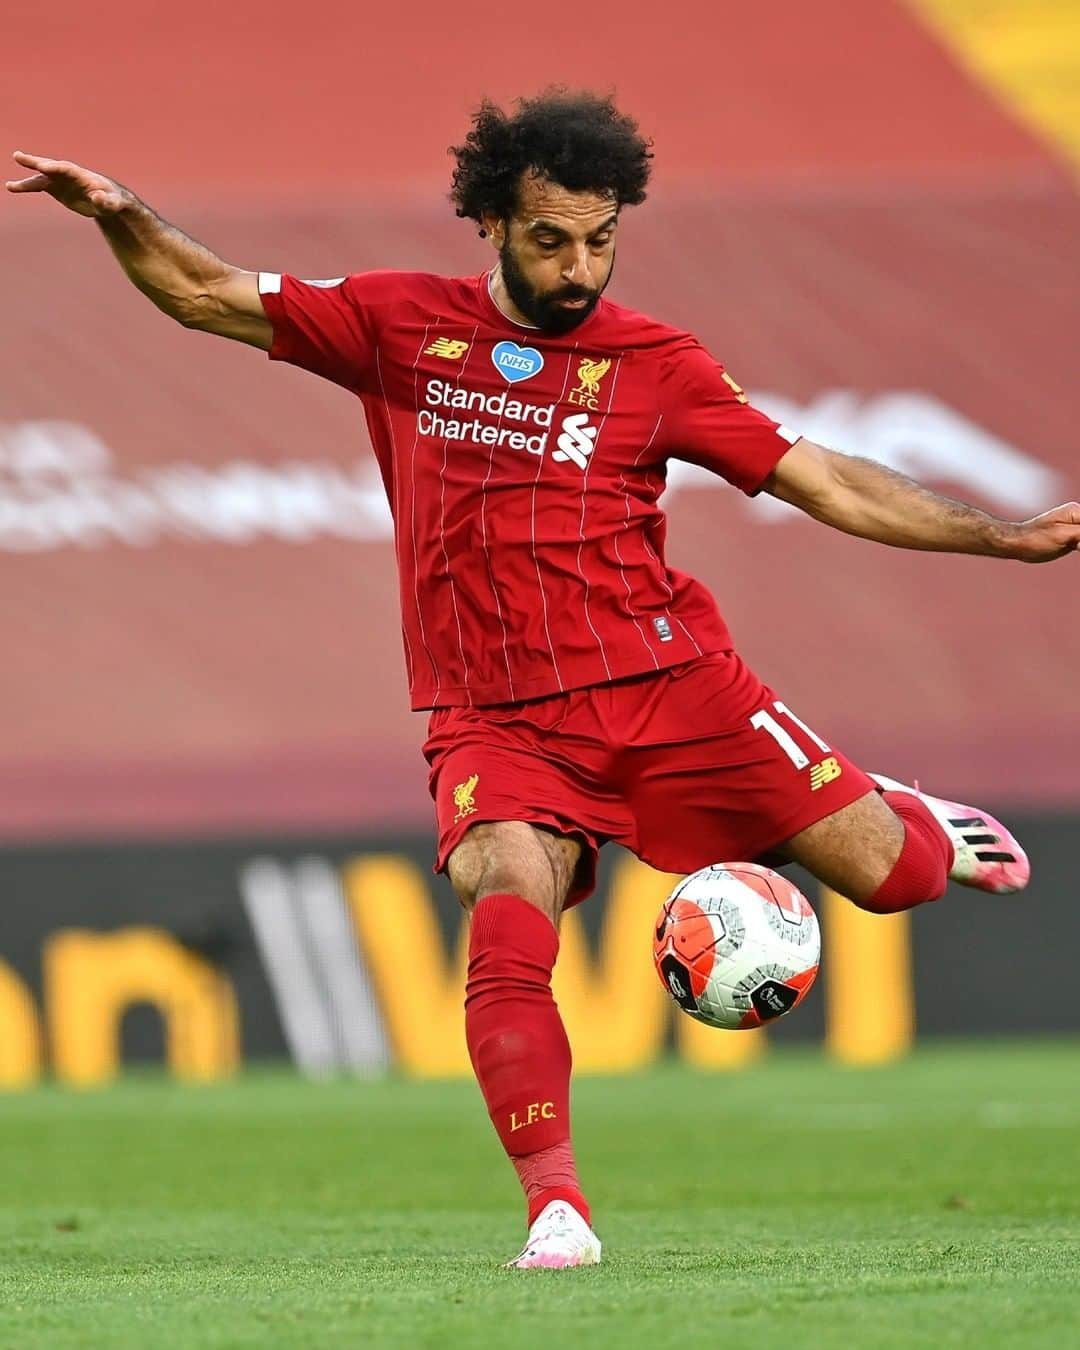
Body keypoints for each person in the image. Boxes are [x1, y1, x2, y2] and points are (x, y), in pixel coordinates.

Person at [9, 89, 1077, 1272]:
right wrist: (115, 213)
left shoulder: (657, 364)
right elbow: (205, 294)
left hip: (676, 688)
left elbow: (823, 478)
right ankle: (555, 1210)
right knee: (506, 905)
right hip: (500, 718)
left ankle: (905, 808)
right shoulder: (399, 325)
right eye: (550, 239)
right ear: (491, 225)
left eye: (600, 240)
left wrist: (999, 538)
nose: (578, 267)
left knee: (901, 878)